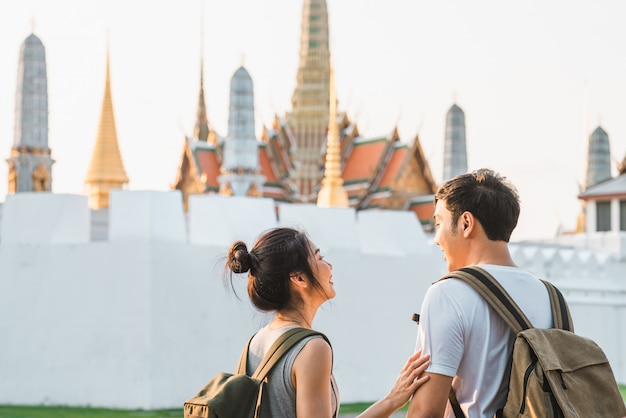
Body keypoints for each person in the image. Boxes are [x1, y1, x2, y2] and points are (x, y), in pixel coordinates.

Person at [225, 227, 430, 418]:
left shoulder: (253, 343)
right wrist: (392, 400)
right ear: (299, 278)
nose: (329, 266)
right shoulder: (312, 348)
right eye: (319, 257)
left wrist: (392, 399)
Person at [406, 168, 554, 417]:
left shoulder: (448, 293)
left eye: (439, 222)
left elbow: (425, 412)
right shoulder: (551, 297)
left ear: (466, 223)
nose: (436, 238)